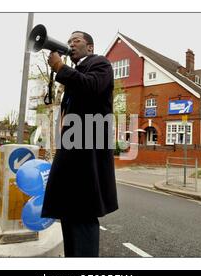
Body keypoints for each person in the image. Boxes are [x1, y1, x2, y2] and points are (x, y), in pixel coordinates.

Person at [41, 31, 118, 257]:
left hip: (87, 148)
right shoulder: (76, 72)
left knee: (83, 211)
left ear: (90, 47)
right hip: (72, 148)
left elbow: (92, 87)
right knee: (68, 210)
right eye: (69, 42)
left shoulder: (100, 63)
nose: (71, 44)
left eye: (76, 41)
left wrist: (61, 69)